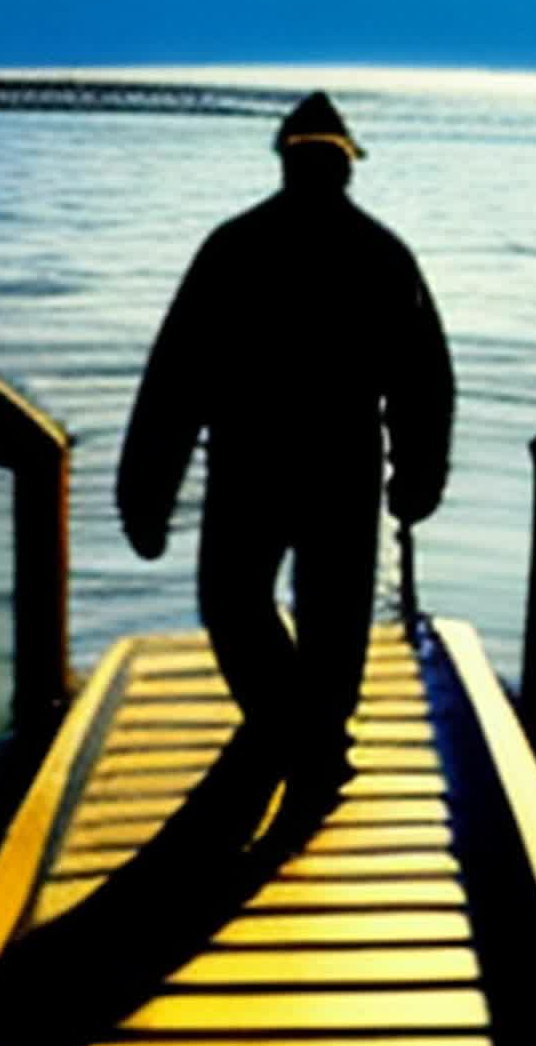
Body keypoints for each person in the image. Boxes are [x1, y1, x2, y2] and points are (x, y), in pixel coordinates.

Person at [116, 90, 455, 810]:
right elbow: (425, 380)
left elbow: (172, 383)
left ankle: (284, 721)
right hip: (343, 468)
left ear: (284, 160)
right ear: (346, 167)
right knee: (336, 614)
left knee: (233, 602)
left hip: (249, 464)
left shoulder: (231, 247)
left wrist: (146, 499)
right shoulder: (384, 254)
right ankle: (317, 738)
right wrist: (418, 477)